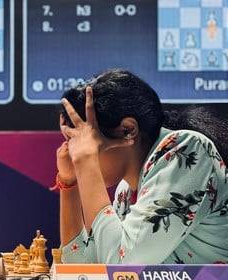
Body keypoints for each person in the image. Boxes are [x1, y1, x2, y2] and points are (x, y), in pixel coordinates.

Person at [56, 69, 228, 264]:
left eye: (84, 142)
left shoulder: (185, 148)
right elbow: (82, 269)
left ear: (128, 130)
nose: (76, 153)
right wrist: (69, 184)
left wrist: (87, 161)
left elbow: (123, 269)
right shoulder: (126, 191)